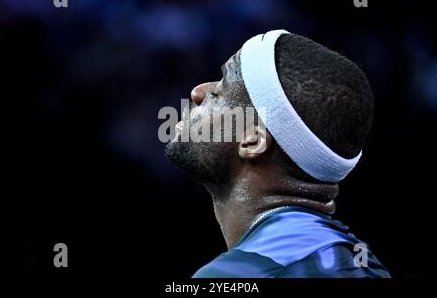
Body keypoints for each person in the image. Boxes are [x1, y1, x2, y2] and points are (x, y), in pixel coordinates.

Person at [165, 30, 390, 278]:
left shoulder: (237, 276)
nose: (198, 92)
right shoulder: (367, 266)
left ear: (253, 142)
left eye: (218, 92)